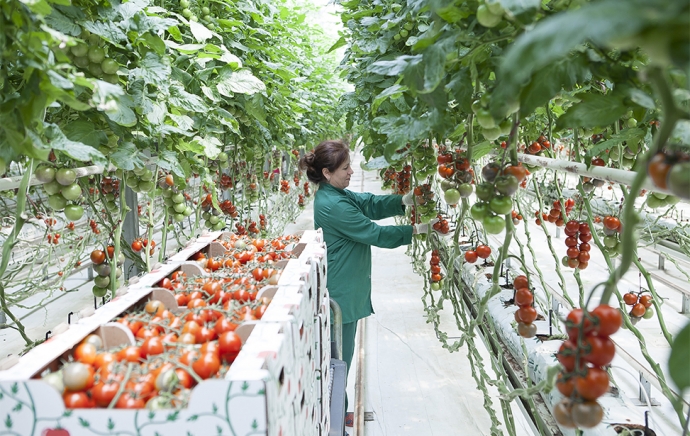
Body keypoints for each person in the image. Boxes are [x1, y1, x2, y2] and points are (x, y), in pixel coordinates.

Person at [298, 139, 437, 427]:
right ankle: (336, 421)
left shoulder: (337, 195)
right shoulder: (332, 205)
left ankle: (338, 412)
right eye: (346, 168)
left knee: (340, 357)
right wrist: (418, 230)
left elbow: (368, 204)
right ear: (327, 172)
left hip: (347, 287)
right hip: (341, 293)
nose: (351, 172)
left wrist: (404, 200)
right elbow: (373, 233)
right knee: (339, 360)